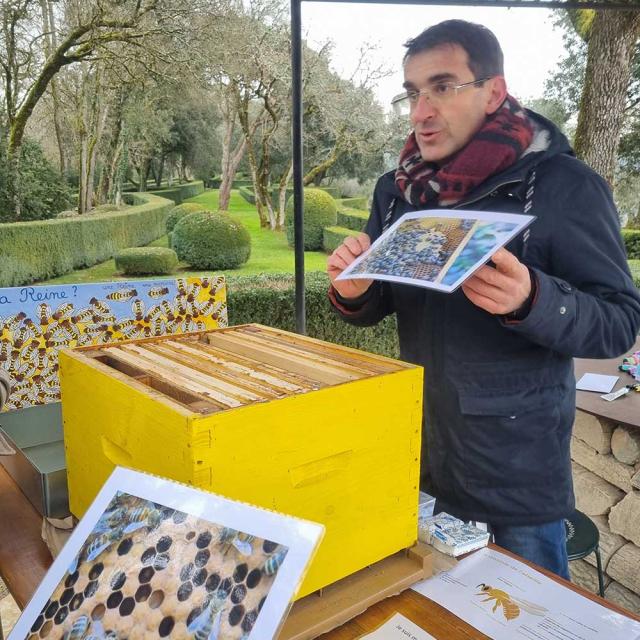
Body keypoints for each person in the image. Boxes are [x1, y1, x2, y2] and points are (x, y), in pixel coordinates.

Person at [327, 19, 640, 579]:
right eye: (412, 92)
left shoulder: (564, 186)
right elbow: (383, 305)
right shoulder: (396, 192)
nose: (421, 111)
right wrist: (356, 291)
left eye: (442, 87)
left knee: (532, 615)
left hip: (517, 474)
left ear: (494, 92)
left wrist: (533, 299)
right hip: (419, 451)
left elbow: (620, 322)